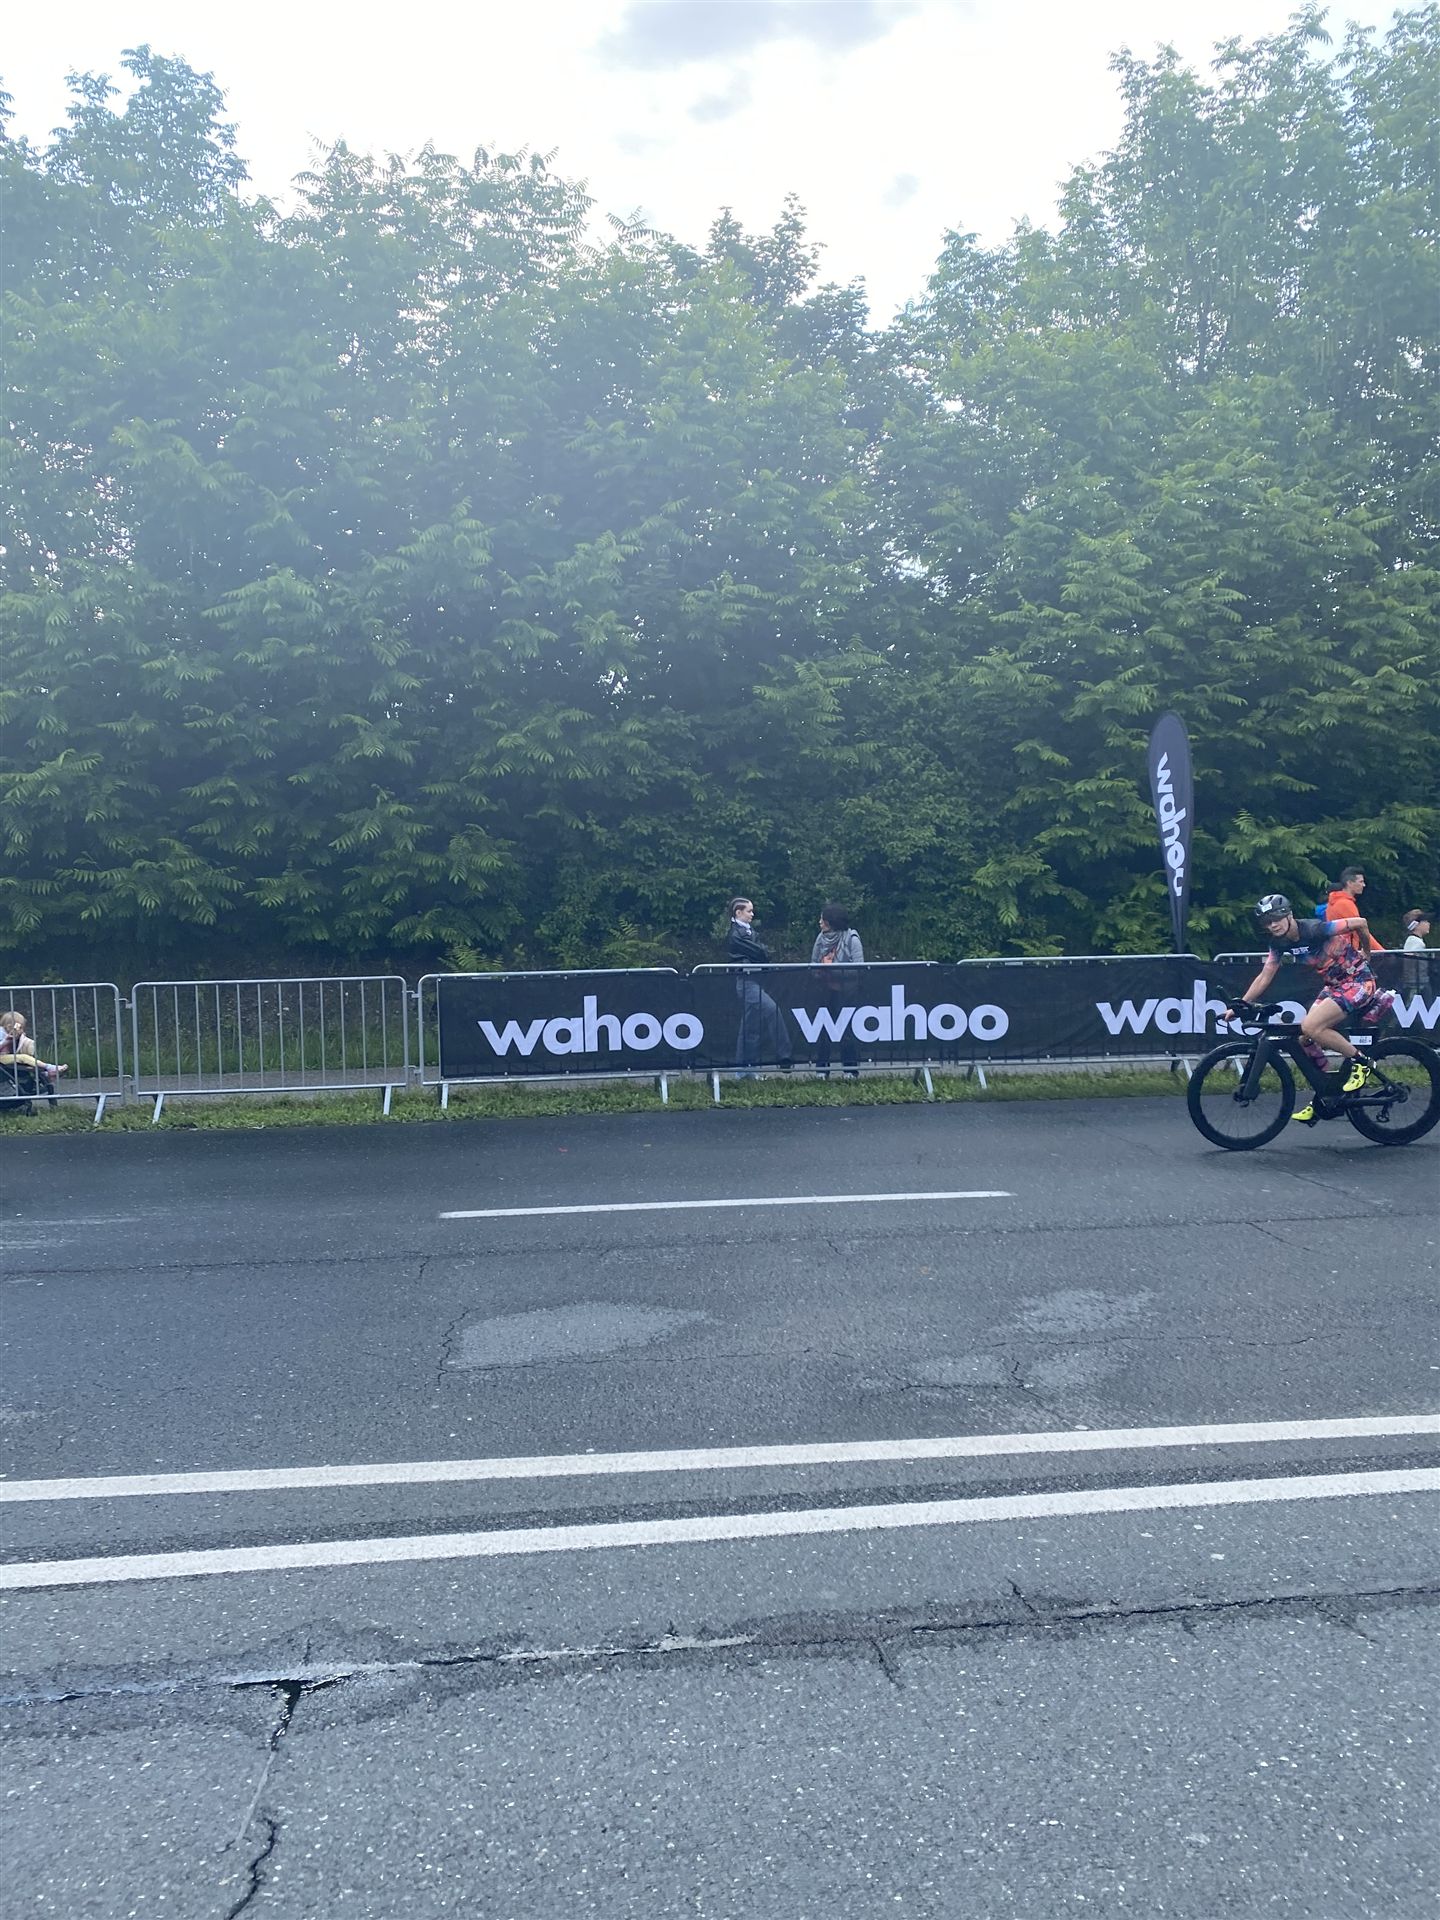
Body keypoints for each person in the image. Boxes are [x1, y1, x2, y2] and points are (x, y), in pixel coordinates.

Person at [1226, 894, 1389, 1124]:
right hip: (1334, 986)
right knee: (1304, 1039)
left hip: (1359, 982)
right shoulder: (1278, 943)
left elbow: (1360, 923)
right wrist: (1240, 1005)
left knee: (1311, 1026)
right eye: (1267, 922)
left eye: (1277, 918)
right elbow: (1265, 976)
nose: (1273, 925)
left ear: (1289, 915)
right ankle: (1328, 1091)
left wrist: (1367, 952)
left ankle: (1362, 1064)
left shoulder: (1315, 930)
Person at [725, 898, 793, 1074]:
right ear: (738, 913)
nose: (752, 914)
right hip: (746, 981)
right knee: (772, 1010)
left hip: (752, 980)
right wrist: (762, 953)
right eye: (749, 911)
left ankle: (744, 1070)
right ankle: (784, 1055)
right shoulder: (735, 934)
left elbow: (760, 952)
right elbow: (760, 951)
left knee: (750, 1027)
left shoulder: (746, 931)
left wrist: (762, 953)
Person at [811, 903, 864, 1080]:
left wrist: (833, 969)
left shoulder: (852, 939)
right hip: (825, 992)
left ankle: (850, 1070)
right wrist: (820, 971)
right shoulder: (820, 939)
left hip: (846, 993)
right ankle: (822, 1070)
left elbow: (859, 968)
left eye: (822, 919)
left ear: (831, 922)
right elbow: (813, 964)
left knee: (846, 1031)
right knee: (823, 1030)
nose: (819, 922)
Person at [1325, 867, 1383, 952]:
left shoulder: (1335, 901)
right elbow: (1362, 931)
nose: (1364, 885)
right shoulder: (1345, 904)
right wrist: (1382, 952)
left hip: (1336, 952)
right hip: (1345, 954)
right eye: (1361, 882)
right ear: (1349, 883)